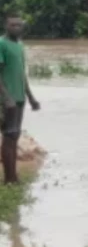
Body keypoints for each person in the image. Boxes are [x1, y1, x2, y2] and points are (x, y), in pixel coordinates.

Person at [0, 13, 39, 185]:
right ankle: (9, 179)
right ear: (5, 26)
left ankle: (13, 176)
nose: (16, 28)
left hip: (20, 97)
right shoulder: (1, 44)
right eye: (12, 25)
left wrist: (31, 97)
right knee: (9, 137)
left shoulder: (20, 45)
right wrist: (6, 98)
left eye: (19, 25)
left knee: (14, 136)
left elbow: (21, 74)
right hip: (6, 99)